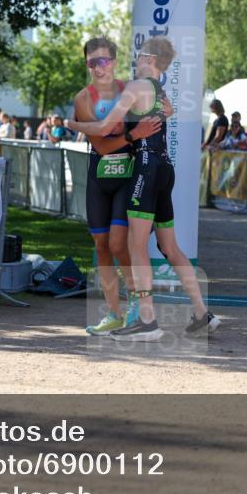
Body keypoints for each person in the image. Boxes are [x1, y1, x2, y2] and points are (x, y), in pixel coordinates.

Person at [66, 37, 220, 340]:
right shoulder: (157, 90)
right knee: (169, 247)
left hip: (145, 169)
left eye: (139, 55)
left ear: (149, 58)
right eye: (92, 62)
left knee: (135, 246)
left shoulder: (135, 86)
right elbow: (167, 111)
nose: (135, 59)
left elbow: (103, 129)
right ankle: (202, 312)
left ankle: (147, 321)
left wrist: (73, 125)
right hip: (163, 168)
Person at [71, 36, 162, 335]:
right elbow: (102, 145)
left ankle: (136, 306)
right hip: (99, 176)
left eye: (104, 61)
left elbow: (163, 111)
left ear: (113, 61)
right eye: (92, 62)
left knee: (118, 244)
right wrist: (133, 135)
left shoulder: (131, 89)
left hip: (128, 177)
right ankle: (113, 313)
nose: (98, 68)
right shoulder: (83, 99)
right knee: (101, 245)